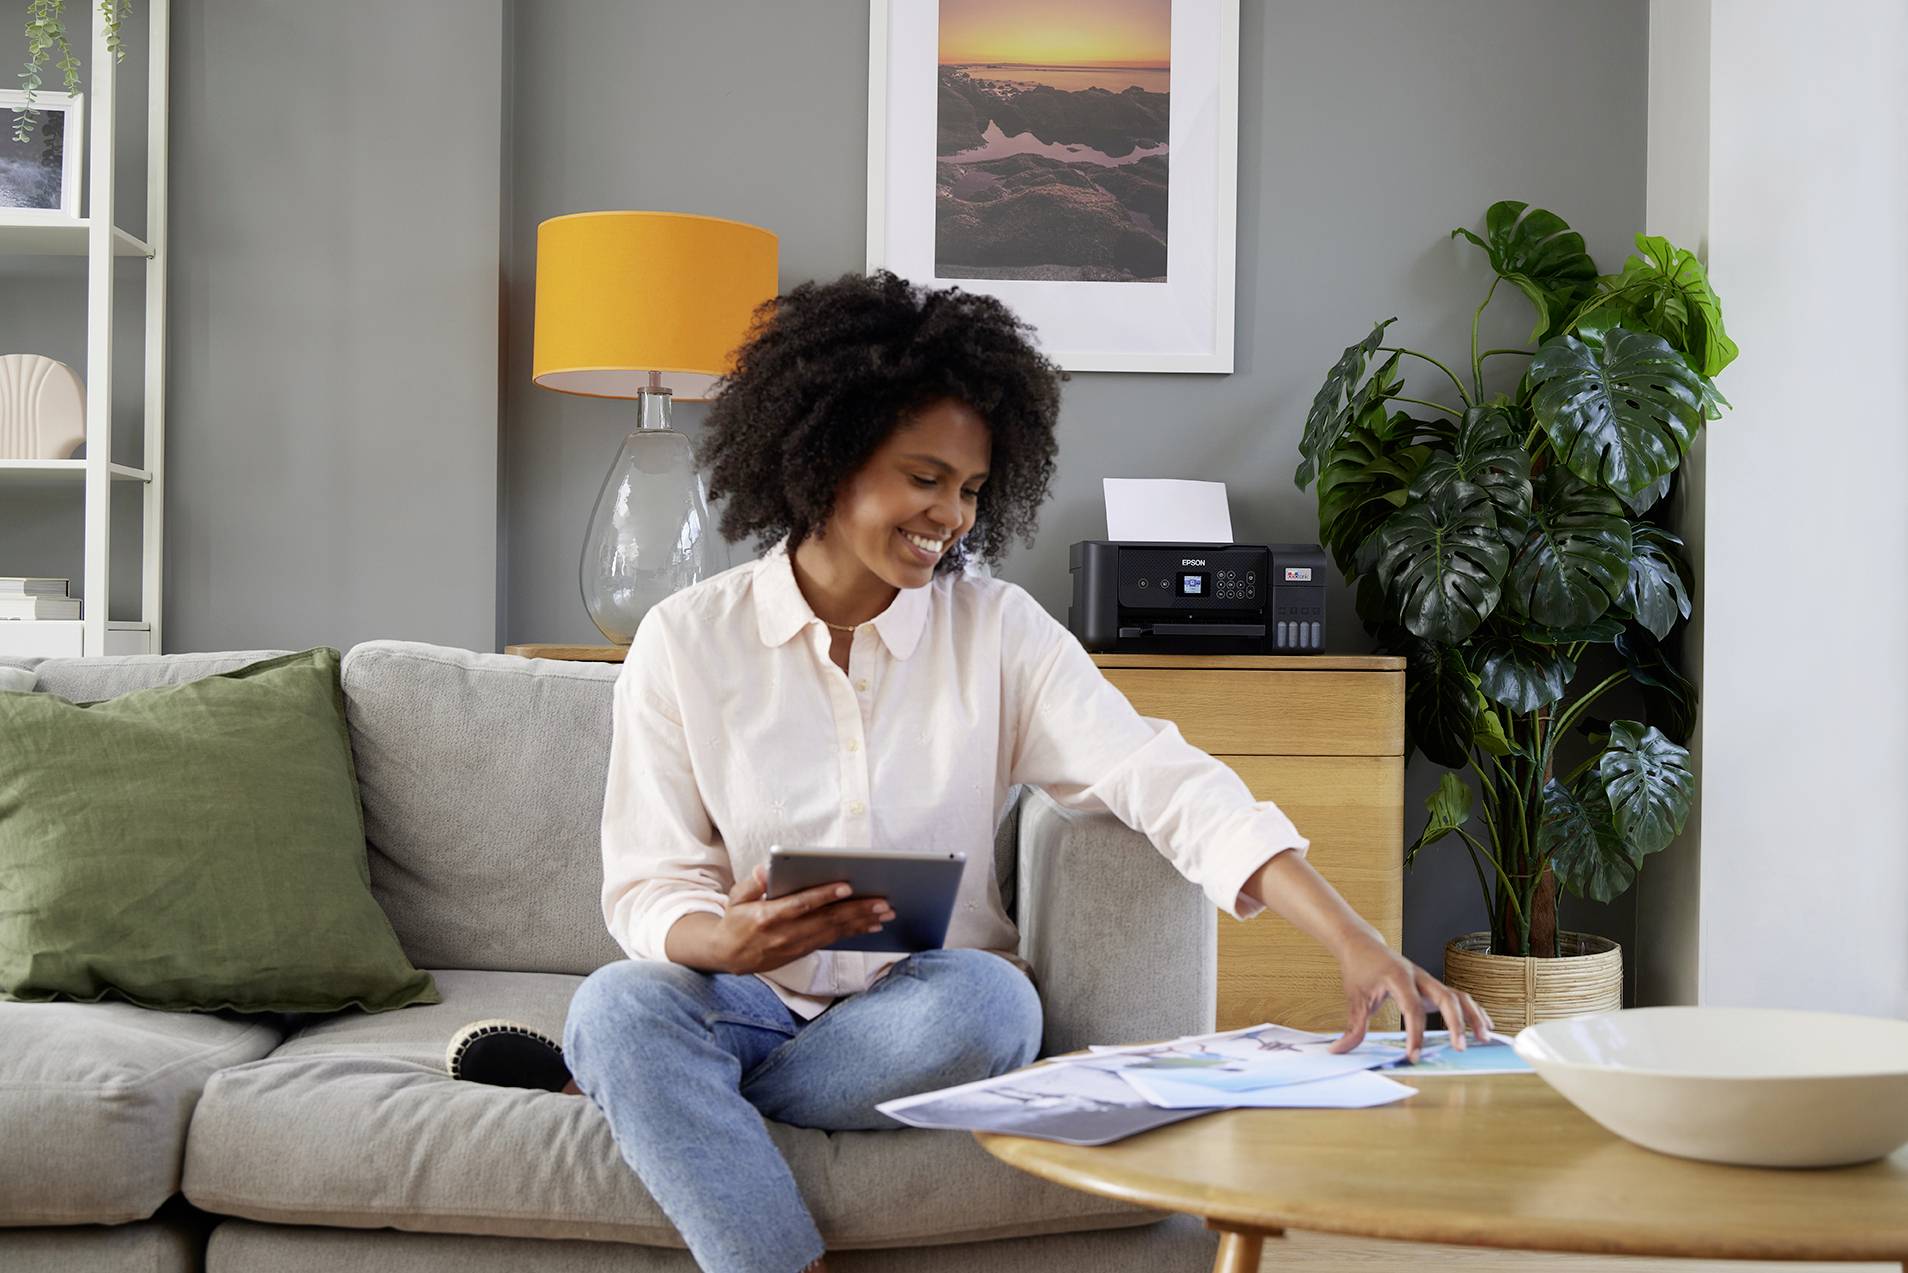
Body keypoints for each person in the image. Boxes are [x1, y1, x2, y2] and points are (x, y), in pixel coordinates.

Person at [450, 271, 1493, 1273]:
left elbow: (1156, 774)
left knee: (994, 1008)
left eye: (973, 489)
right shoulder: (687, 640)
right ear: (826, 455)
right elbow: (647, 880)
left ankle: (652, 1095)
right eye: (924, 478)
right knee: (620, 1009)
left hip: (927, 1002)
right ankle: (711, 1162)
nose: (951, 516)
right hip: (750, 997)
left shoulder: (994, 629)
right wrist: (719, 936)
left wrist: (1352, 939)